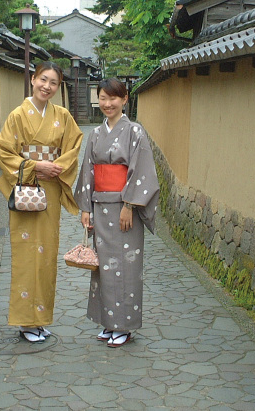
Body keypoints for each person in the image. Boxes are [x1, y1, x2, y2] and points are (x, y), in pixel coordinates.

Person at [0, 61, 83, 343]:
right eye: (43, 79)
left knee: (46, 254)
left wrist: (55, 167)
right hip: (26, 189)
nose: (47, 86)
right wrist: (35, 166)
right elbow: (5, 151)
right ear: (33, 79)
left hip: (51, 191)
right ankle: (25, 322)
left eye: (53, 82)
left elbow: (74, 145)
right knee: (26, 253)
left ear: (58, 87)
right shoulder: (17, 115)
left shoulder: (63, 116)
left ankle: (40, 319)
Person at [74, 78, 159, 348]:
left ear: (125, 99)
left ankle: (123, 325)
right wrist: (86, 207)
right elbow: (88, 171)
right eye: (102, 98)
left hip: (125, 210)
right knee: (103, 267)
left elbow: (142, 171)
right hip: (100, 207)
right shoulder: (96, 135)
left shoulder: (135, 132)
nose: (107, 104)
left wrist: (129, 206)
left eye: (113, 98)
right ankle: (108, 322)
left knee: (125, 266)